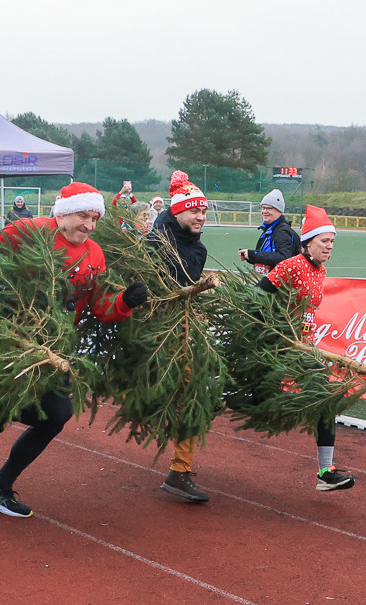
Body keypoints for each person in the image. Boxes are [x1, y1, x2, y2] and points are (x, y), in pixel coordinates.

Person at [0, 182, 149, 518]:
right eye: (84, 216)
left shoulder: (94, 253)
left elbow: (100, 305)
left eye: (95, 218)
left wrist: (126, 301)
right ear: (65, 212)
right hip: (16, 340)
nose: (90, 225)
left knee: (56, 414)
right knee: (37, 405)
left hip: (57, 349)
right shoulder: (27, 232)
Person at [257, 205, 354, 491]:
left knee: (325, 396)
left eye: (332, 242)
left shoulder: (321, 271)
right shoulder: (290, 266)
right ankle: (217, 401)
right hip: (281, 344)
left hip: (304, 347)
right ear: (308, 242)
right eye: (324, 241)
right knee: (255, 398)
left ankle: (325, 471)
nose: (329, 246)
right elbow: (259, 296)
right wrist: (277, 329)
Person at [147, 170, 211, 502]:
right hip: (153, 332)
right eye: (194, 210)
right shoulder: (157, 241)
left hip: (182, 331)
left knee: (192, 392)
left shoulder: (197, 249)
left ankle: (179, 470)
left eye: (203, 211)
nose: (200, 216)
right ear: (177, 211)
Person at [238, 189, 301, 274]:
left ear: (279, 211)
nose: (264, 211)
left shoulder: (283, 231)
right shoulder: (270, 229)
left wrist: (253, 254)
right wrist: (249, 256)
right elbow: (265, 258)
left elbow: (283, 258)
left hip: (279, 284)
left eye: (269, 208)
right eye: (263, 208)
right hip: (267, 281)